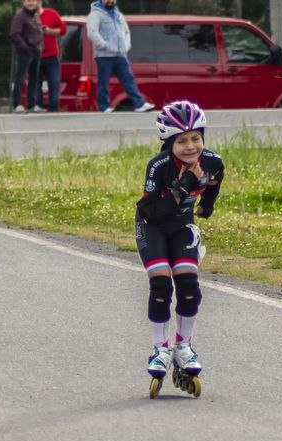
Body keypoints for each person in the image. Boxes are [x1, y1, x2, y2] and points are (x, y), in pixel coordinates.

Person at [135, 101, 223, 398]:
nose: (190, 146)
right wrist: (185, 184)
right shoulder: (158, 166)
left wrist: (207, 205)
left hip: (182, 224)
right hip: (153, 225)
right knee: (161, 283)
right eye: (181, 141)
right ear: (169, 142)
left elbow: (215, 180)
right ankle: (160, 349)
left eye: (195, 138)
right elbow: (150, 211)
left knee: (188, 284)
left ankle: (183, 346)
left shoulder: (212, 161)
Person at [86, 0, 155, 113]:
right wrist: (104, 45)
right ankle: (104, 107)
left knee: (129, 79)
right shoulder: (95, 15)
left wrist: (126, 45)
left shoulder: (119, 15)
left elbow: (126, 31)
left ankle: (140, 104)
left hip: (120, 55)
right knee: (103, 82)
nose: (111, 1)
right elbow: (92, 33)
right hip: (104, 56)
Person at [10, 0, 43, 113]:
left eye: (33, 1)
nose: (30, 3)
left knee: (34, 79)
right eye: (28, 1)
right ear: (23, 2)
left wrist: (40, 46)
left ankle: (32, 104)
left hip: (36, 51)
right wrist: (25, 47)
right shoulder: (20, 16)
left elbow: (38, 32)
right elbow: (14, 34)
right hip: (25, 53)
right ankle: (17, 104)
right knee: (20, 78)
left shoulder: (36, 16)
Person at [38, 0, 66, 112]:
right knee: (35, 85)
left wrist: (49, 31)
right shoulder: (26, 17)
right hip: (35, 56)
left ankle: (54, 108)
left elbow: (63, 30)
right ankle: (38, 108)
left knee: (54, 83)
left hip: (52, 56)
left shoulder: (51, 13)